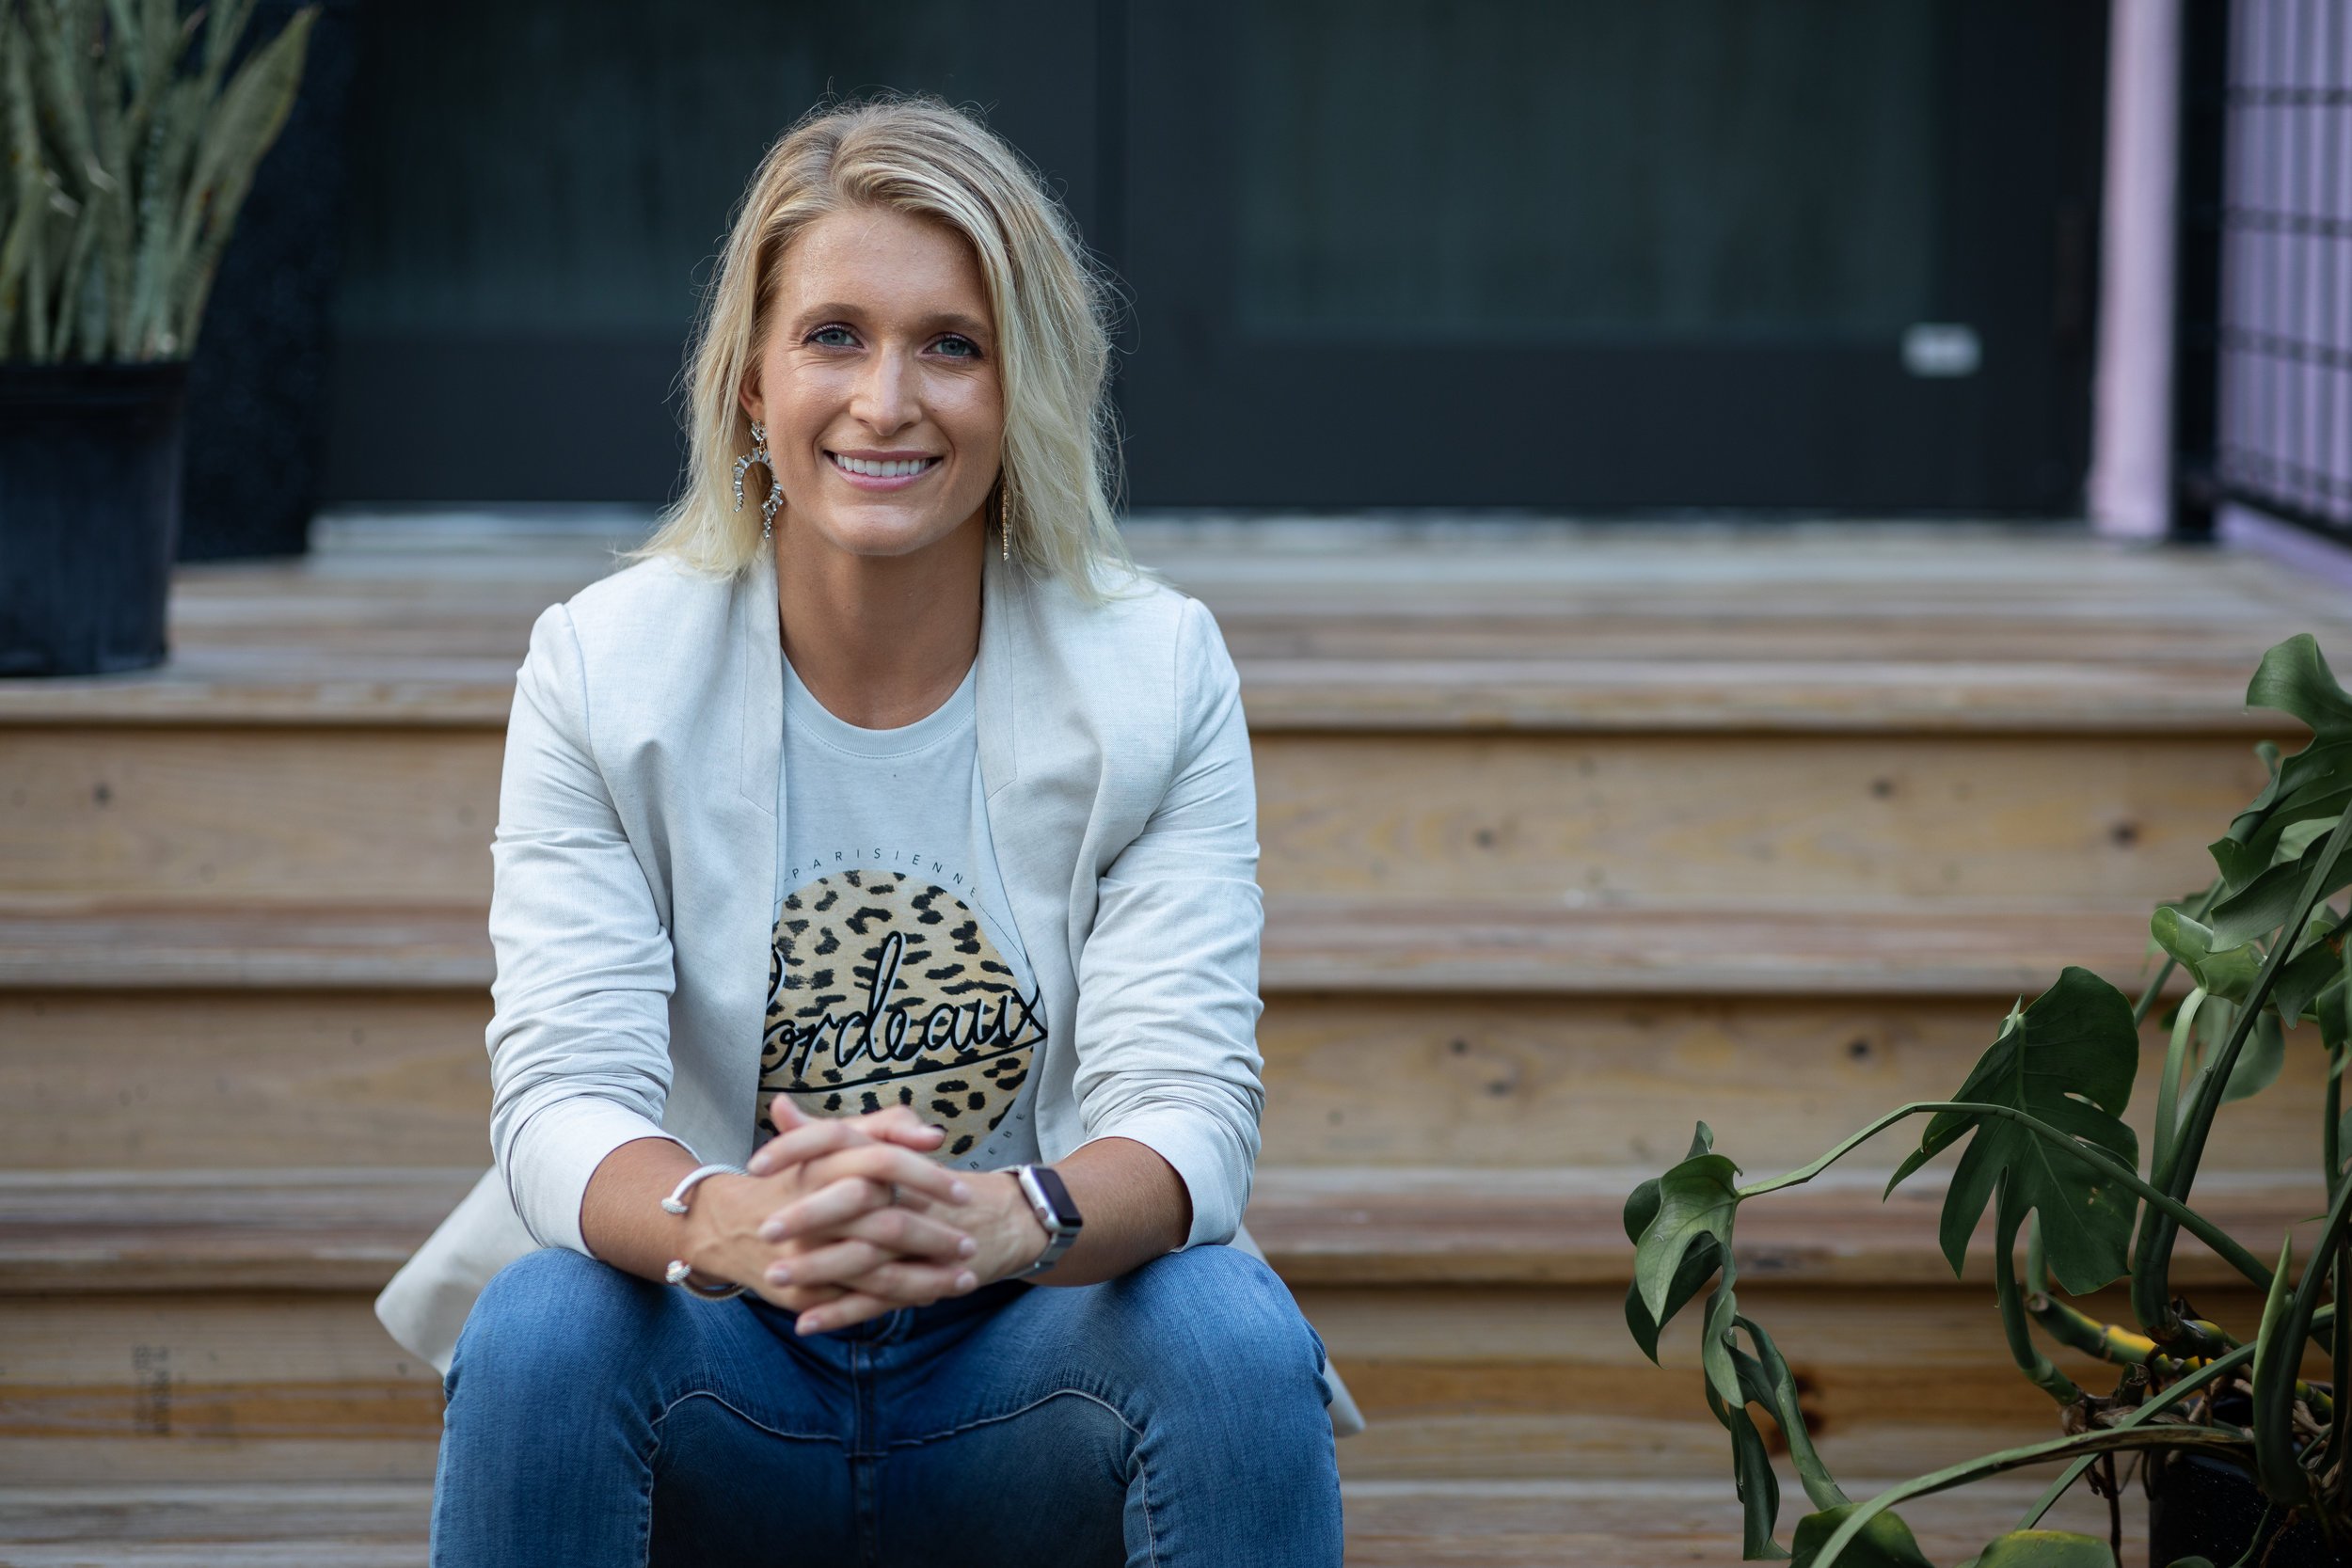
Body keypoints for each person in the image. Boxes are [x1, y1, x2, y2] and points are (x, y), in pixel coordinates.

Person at [419, 93, 1351, 1565]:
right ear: (750, 383)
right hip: (724, 1367)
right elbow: (558, 1102)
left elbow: (1186, 1119)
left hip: (1026, 1369)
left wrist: (998, 1220)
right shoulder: (605, 670)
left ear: (1018, 385)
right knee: (545, 1321)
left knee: (1228, 1327)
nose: (887, 400)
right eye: (834, 335)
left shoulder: (1154, 674)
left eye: (951, 346)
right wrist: (732, 1225)